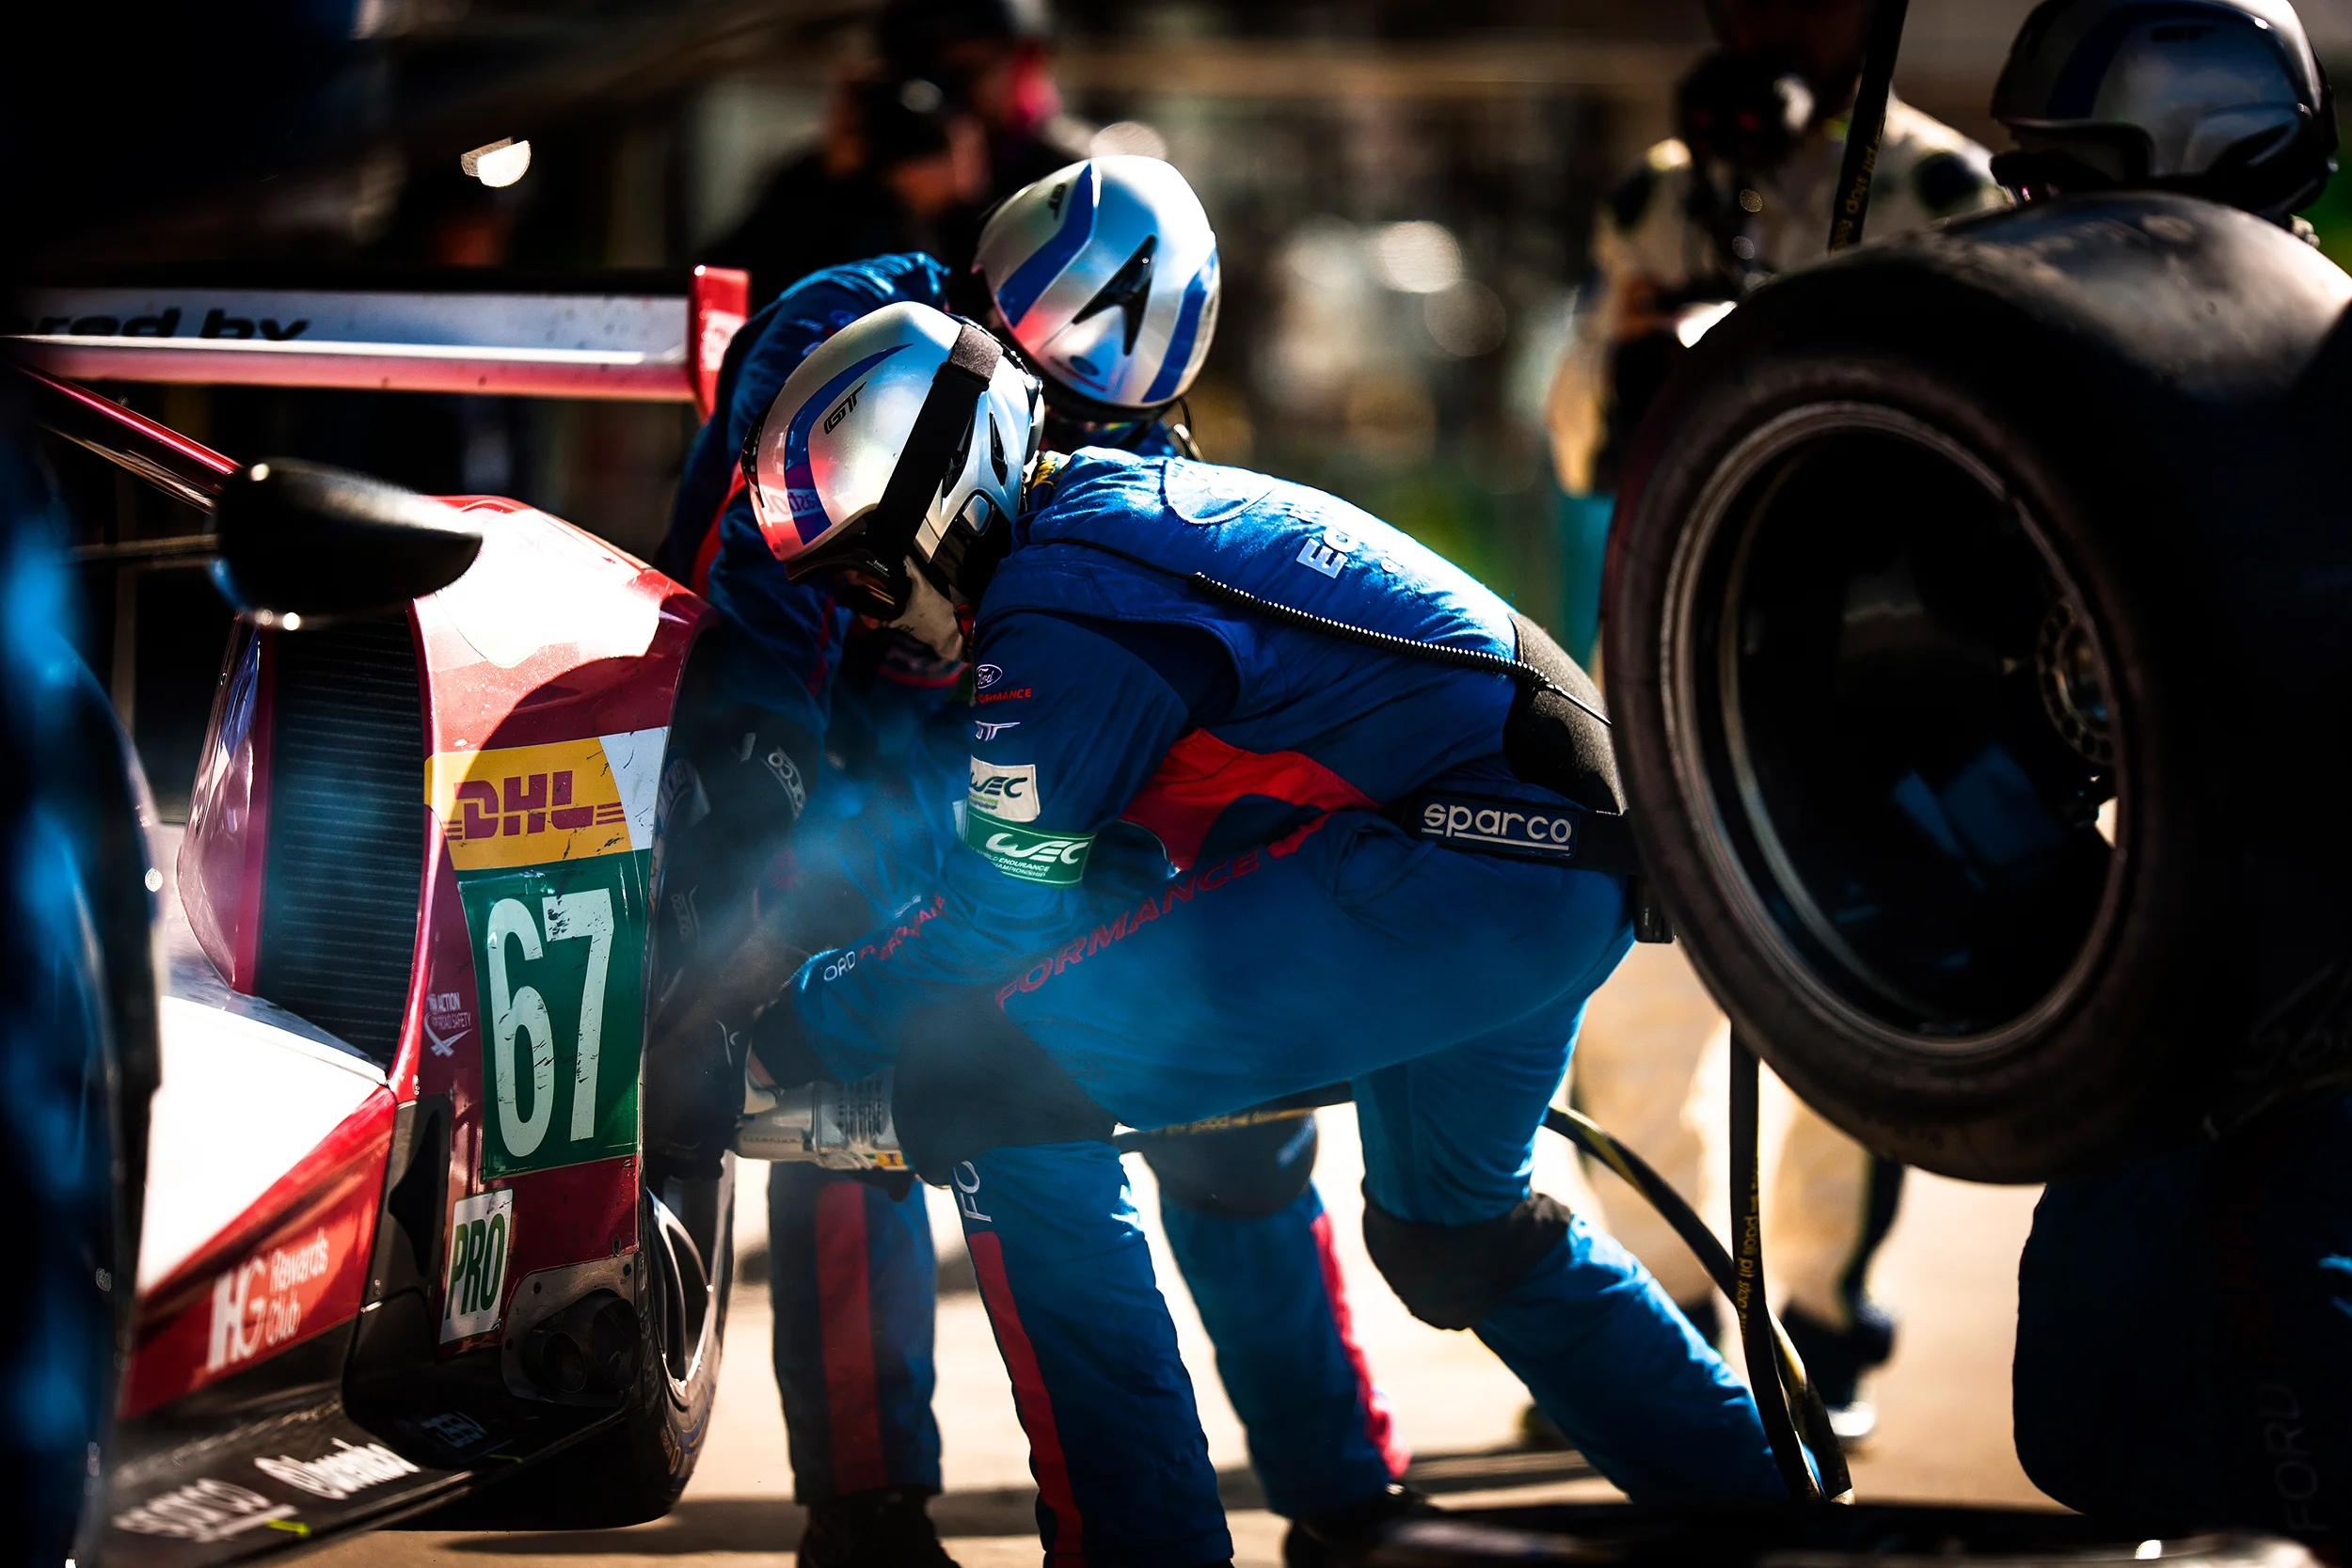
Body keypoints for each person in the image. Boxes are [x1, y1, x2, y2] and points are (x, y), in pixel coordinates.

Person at [647, 292, 1801, 1564]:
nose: (870, 610)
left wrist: (795, 1027)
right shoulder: (1104, 528)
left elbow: (993, 912)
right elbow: (1048, 852)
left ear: (944, 503)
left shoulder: (1057, 604)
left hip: (1451, 861)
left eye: (867, 572)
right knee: (1451, 1228)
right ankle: (1764, 1518)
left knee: (994, 1085)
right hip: (1545, 859)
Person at [650, 158, 1407, 1568]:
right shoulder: (845, 328)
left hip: (1019, 775)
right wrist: (749, 866)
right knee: (832, 1095)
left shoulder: (1145, 456)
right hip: (835, 755)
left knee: (1228, 1105)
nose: (1052, 442)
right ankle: (868, 1508)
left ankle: (1344, 1489)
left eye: (1091, 422)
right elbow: (765, 603)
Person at [1538, 0, 2010, 1442]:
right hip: (1676, 635)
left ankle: (1821, 1319)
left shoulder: (1938, 189)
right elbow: (1573, 437)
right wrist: (1631, 351)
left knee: (1849, 1000)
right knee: (1631, 1004)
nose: (1773, 24)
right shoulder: (1664, 195)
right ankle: (1663, 1318)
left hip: (1863, 662)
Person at [1983, 0, 2352, 1536]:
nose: (2035, 229)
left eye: (2059, 188)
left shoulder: (2323, 389)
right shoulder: (2094, 396)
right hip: (2183, 993)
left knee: (2298, 1403)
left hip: (2320, 1030)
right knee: (2096, 1403)